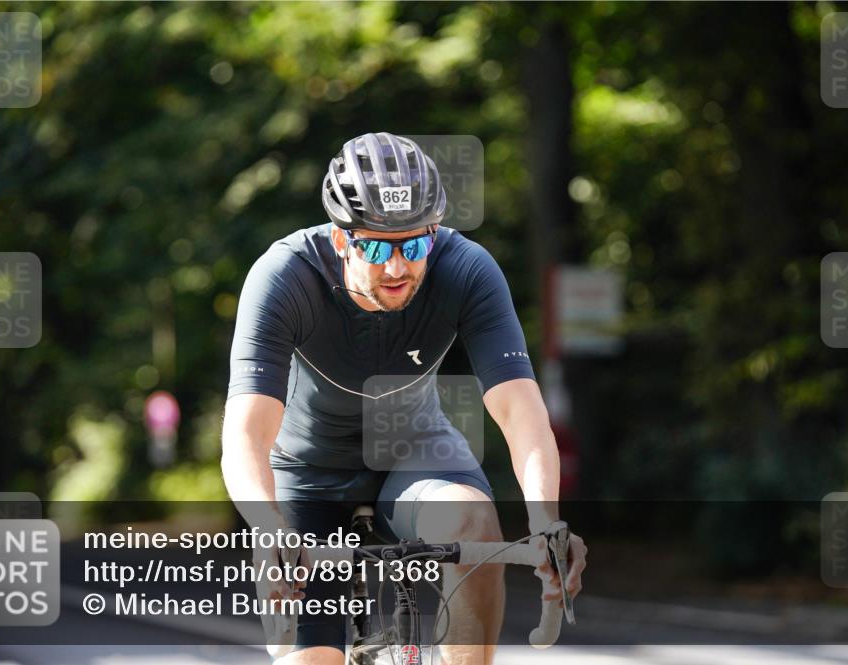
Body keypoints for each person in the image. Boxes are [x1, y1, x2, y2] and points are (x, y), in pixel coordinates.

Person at [222, 132, 586, 665]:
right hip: (306, 473)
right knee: (310, 659)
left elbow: (520, 411)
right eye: (374, 246)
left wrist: (544, 522)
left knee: (474, 523)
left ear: (434, 233)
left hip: (415, 455)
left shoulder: (466, 269)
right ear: (342, 239)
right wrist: (269, 528)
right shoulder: (284, 277)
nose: (397, 267)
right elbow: (247, 433)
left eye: (414, 244)